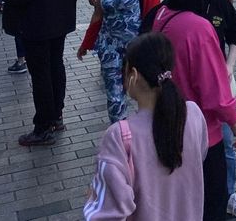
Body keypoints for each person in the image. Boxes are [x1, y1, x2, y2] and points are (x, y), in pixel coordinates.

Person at [152, 0, 236, 221]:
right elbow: (212, 86)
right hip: (202, 132)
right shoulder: (197, 27)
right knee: (211, 202)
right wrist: (235, 121)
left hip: (167, 122)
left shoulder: (162, 15)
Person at [84, 32, 209, 221]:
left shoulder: (119, 137)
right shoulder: (193, 114)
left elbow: (106, 213)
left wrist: (93, 199)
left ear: (132, 75)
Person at [1, 0, 80, 145]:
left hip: (37, 25)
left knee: (41, 75)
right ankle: (57, 115)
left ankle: (43, 126)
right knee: (56, 66)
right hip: (61, 23)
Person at [78, 0, 160, 123]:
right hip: (110, 47)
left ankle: (149, 135)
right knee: (115, 98)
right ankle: (121, 138)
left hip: (137, 48)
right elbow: (98, 14)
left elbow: (153, 12)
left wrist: (152, 45)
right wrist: (87, 43)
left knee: (145, 94)